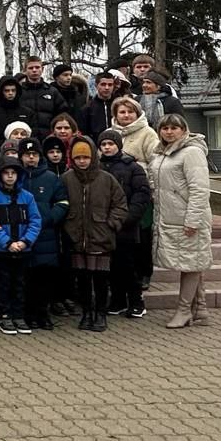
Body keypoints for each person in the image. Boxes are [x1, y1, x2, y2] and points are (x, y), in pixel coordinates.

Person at [147, 114, 214, 329]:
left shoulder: (191, 152)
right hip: (169, 217)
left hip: (188, 219)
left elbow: (200, 189)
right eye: (164, 128)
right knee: (192, 263)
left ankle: (184, 310)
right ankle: (200, 309)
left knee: (191, 263)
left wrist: (192, 220)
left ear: (183, 130)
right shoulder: (162, 153)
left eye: (174, 128)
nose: (169, 131)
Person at [61, 136, 129, 332]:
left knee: (99, 279)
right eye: (78, 158)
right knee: (82, 280)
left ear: (93, 157)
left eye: (86, 157)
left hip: (101, 238)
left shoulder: (106, 179)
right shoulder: (66, 179)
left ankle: (100, 314)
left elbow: (120, 205)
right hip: (75, 238)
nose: (82, 161)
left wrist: (111, 224)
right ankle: (86, 313)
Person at [0, 155, 41, 335]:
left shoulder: (27, 197)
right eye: (6, 173)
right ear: (0, 175)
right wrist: (7, 242)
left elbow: (35, 221)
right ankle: (5, 315)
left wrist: (24, 242)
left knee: (20, 283)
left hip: (23, 250)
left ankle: (19, 315)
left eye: (13, 173)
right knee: (4, 283)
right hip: (2, 250)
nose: (9, 176)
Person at [98, 129, 153, 319]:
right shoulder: (98, 167)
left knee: (128, 267)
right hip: (105, 226)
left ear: (118, 146)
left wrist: (129, 217)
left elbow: (142, 193)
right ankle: (118, 301)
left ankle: (137, 302)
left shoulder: (132, 167)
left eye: (110, 144)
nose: (107, 147)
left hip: (126, 226)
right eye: (103, 144)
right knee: (111, 268)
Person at [18, 137, 69, 332]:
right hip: (22, 236)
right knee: (26, 278)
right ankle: (28, 314)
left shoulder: (50, 178)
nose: (31, 158)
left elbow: (62, 203)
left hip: (46, 236)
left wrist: (49, 219)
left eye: (34, 155)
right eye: (27, 155)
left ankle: (43, 313)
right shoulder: (16, 177)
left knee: (44, 277)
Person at [0, 76, 34, 154]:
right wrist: (6, 146)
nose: (10, 93)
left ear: (17, 91)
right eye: (6, 90)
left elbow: (33, 132)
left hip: (24, 152)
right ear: (1, 92)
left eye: (13, 90)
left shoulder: (27, 112)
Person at [111, 97, 160, 163]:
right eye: (122, 112)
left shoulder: (148, 133)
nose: (126, 115)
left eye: (130, 112)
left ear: (137, 114)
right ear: (116, 115)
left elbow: (155, 162)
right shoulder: (109, 133)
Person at [80, 72, 120, 136]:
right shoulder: (87, 108)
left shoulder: (119, 105)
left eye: (110, 85)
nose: (107, 88)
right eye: (103, 84)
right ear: (96, 85)